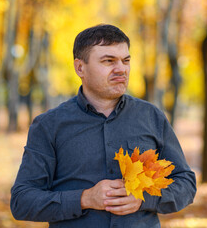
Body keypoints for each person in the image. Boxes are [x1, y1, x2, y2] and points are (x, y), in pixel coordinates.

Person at [10, 24, 196, 228]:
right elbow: (22, 201)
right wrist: (85, 198)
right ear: (80, 68)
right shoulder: (49, 125)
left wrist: (144, 198)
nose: (121, 69)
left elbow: (185, 183)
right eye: (109, 61)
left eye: (126, 61)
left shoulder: (151, 116)